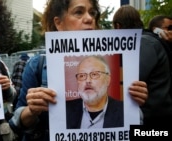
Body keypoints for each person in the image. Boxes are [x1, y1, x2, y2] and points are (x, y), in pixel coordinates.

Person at [9, 0, 148, 141]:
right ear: (59, 23)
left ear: (109, 79)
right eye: (79, 12)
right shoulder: (36, 65)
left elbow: (135, 127)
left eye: (92, 13)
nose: (89, 19)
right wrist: (32, 111)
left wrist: (134, 103)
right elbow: (16, 123)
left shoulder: (122, 60)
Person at [113, 5, 172, 125]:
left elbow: (130, 80)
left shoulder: (144, 43)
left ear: (118, 26)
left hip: (154, 122)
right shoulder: (148, 41)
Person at [66, 55, 123, 129]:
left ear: (108, 80)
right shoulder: (63, 110)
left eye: (94, 74)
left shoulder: (126, 111)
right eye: (82, 76)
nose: (88, 81)